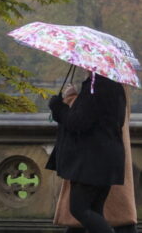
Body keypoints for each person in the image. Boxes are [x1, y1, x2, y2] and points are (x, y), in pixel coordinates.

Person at [47, 71, 127, 233]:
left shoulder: (96, 86)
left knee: (79, 208)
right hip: (107, 157)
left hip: (92, 160)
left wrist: (57, 106)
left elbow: (77, 122)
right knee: (95, 209)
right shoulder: (115, 86)